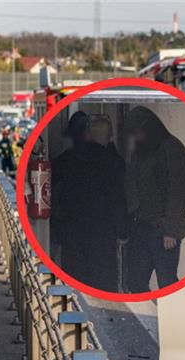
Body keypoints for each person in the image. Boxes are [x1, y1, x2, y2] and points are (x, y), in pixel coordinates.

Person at [51, 112, 128, 292]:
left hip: (72, 231)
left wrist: (57, 226)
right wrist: (122, 231)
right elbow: (118, 199)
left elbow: (53, 195)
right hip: (103, 232)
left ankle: (77, 316)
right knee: (103, 283)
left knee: (75, 284)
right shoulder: (112, 161)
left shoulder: (63, 161)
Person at [124, 106, 185, 293]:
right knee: (136, 281)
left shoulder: (172, 150)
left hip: (162, 229)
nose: (136, 138)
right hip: (142, 225)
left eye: (138, 133)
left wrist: (170, 229)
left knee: (167, 282)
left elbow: (177, 192)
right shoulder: (142, 151)